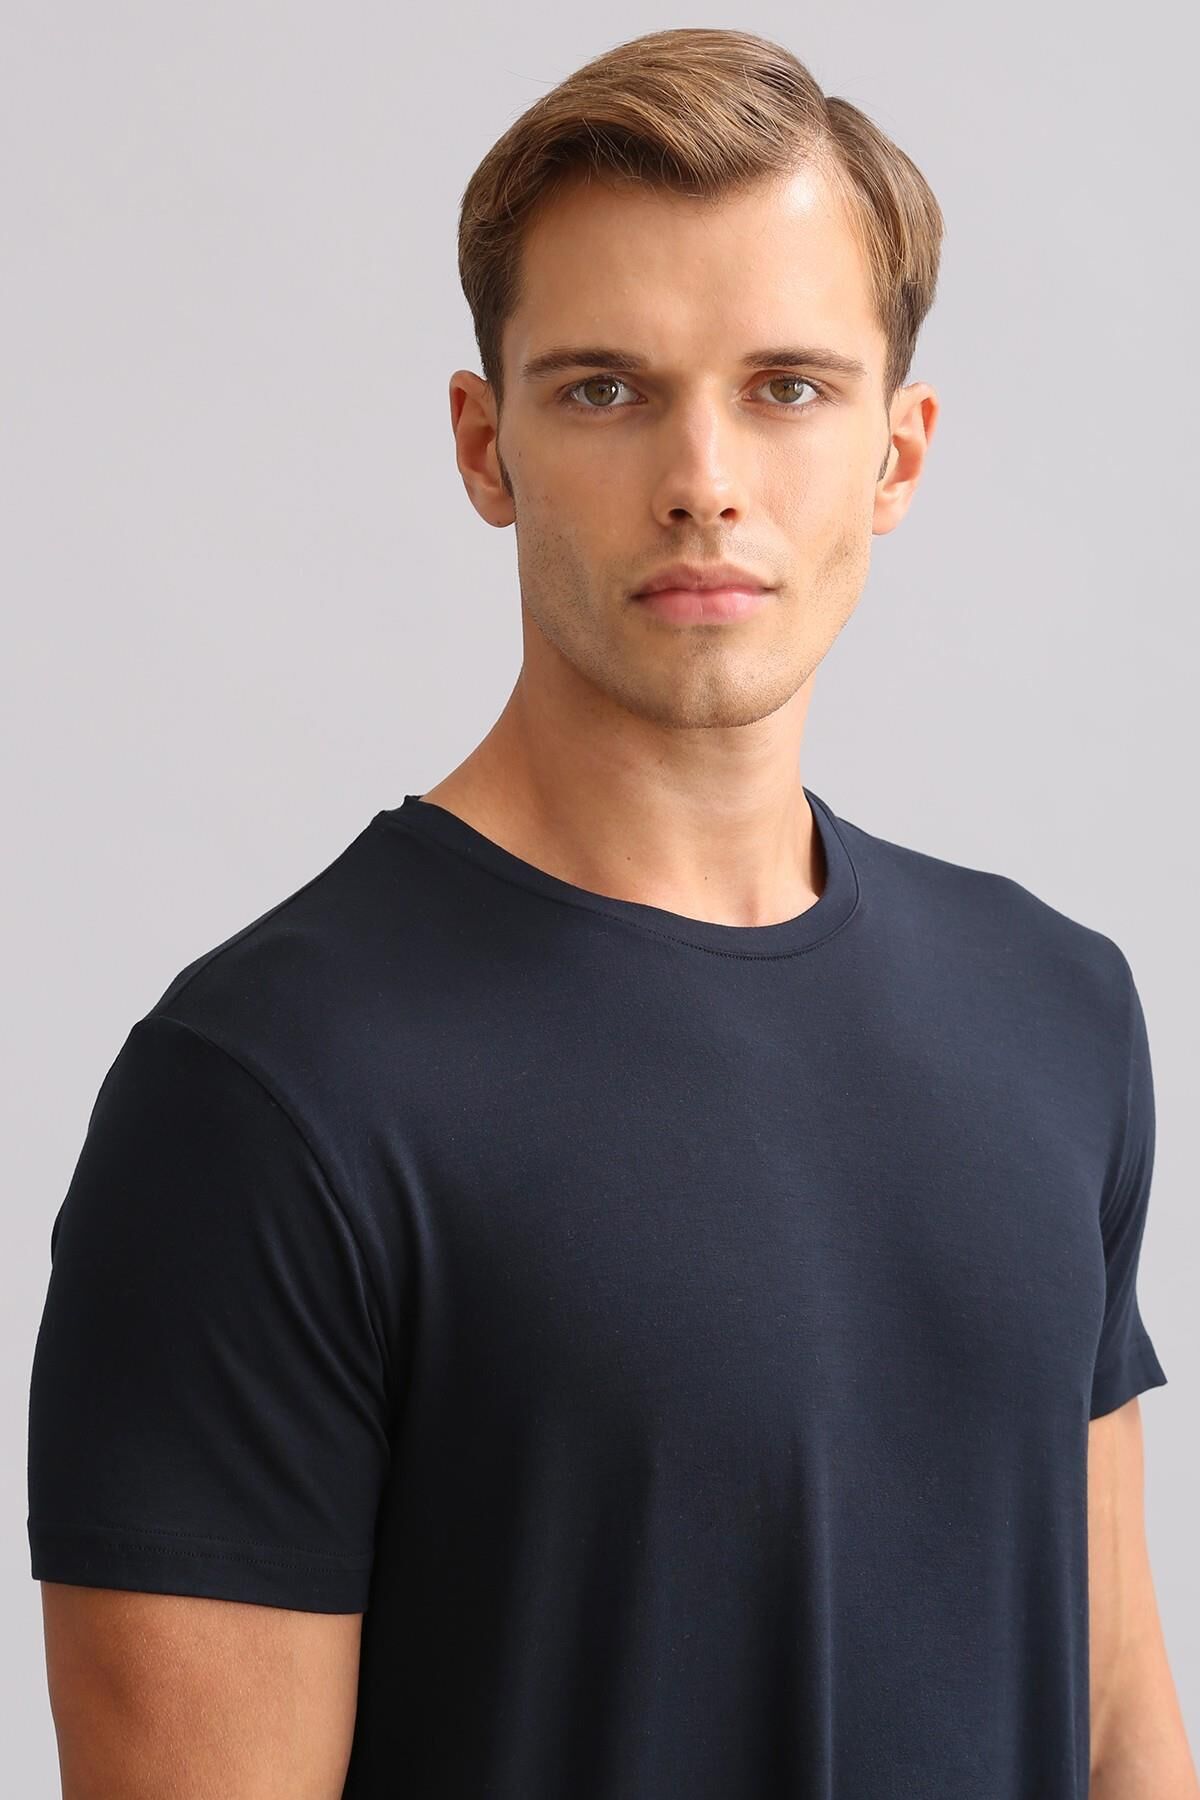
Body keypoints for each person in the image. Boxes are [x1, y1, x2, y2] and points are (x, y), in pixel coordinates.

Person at [26, 26, 1192, 1800]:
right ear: (483, 445)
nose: (703, 477)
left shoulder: (1055, 1009)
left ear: (898, 453)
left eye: (788, 388)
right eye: (604, 390)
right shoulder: (266, 1094)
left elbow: (1115, 1720)